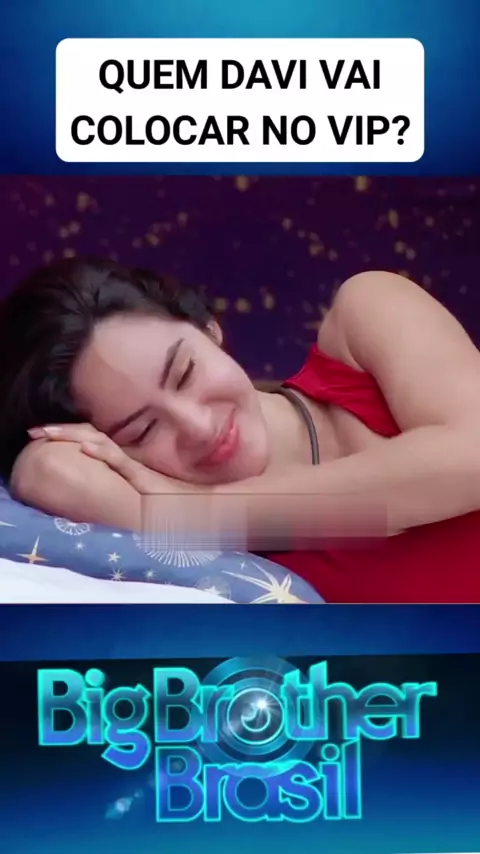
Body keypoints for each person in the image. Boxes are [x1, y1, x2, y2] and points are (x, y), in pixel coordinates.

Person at [2, 257, 480, 603]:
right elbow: (44, 468)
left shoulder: (369, 310)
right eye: (143, 431)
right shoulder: (224, 550)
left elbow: (471, 456)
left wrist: (195, 512)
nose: (198, 426)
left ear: (209, 328)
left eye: (185, 373)